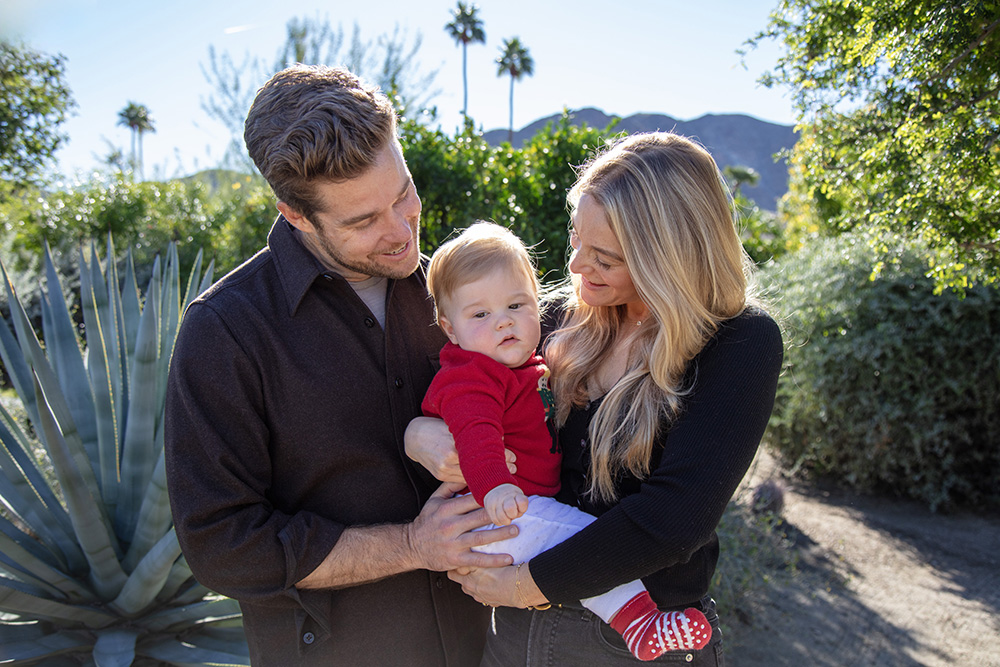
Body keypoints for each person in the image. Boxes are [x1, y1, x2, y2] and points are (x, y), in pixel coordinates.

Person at [164, 65, 516, 666]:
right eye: (361, 221)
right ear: (295, 215)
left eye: (402, 192)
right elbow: (222, 545)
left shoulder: (454, 297)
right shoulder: (224, 330)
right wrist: (411, 545)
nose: (402, 231)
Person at [407, 132, 783, 665]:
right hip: (514, 634)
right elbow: (465, 384)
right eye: (576, 239)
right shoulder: (557, 319)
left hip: (630, 643)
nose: (578, 266)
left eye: (605, 257)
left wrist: (524, 586)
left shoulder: (737, 341)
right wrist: (420, 434)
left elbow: (674, 519)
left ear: (668, 258)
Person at [420, 221, 712, 661]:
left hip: (518, 509)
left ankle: (639, 621)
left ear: (537, 303)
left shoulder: (523, 366)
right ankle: (640, 624)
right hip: (497, 513)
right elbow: (475, 437)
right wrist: (495, 486)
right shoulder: (472, 378)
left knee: (580, 540)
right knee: (588, 541)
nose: (503, 322)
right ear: (449, 328)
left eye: (516, 305)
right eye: (480, 315)